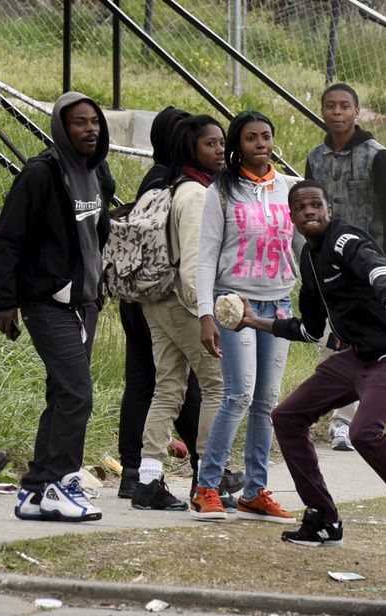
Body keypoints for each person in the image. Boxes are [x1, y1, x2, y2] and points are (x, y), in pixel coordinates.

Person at [237, 180, 386, 546]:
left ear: (329, 210)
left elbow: (379, 271)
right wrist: (255, 322)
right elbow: (310, 329)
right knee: (287, 417)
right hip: (356, 356)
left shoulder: (345, 240)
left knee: (364, 431)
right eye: (301, 207)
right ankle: (323, 520)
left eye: (316, 205)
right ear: (291, 216)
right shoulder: (308, 259)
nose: (309, 211)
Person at [0, 91, 114, 521]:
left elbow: (97, 234)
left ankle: (36, 490)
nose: (90, 129)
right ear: (62, 127)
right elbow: (7, 238)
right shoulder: (41, 173)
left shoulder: (98, 172)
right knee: (78, 393)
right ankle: (60, 483)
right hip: (46, 302)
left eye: (94, 121)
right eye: (79, 122)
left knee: (62, 393)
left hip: (85, 303)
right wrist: (4, 300)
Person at [192, 111, 298, 523]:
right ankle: (206, 487)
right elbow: (205, 257)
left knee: (267, 402)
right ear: (238, 144)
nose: (260, 144)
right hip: (235, 305)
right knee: (238, 394)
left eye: (266, 136)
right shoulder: (221, 191)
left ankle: (256, 491)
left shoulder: (286, 188)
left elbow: (304, 245)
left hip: (280, 303)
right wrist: (205, 313)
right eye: (251, 138)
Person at [130, 114, 227, 511]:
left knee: (169, 387)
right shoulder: (196, 194)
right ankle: (207, 480)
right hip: (182, 302)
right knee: (218, 384)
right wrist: (205, 312)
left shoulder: (176, 185)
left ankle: (148, 480)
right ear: (192, 149)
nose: (220, 150)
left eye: (222, 142)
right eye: (210, 144)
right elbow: (191, 263)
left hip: (157, 301)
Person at [305, 82, 386, 452]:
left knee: (366, 341)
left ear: (356, 111)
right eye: (330, 106)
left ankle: (347, 421)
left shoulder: (377, 155)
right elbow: (306, 209)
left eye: (344, 106)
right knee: (333, 342)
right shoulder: (315, 157)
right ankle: (335, 417)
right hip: (329, 266)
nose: (337, 112)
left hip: (369, 266)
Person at [116, 106, 204, 499]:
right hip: (166, 297)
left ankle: (136, 472)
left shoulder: (156, 178)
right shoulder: (175, 183)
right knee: (196, 385)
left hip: (139, 295)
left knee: (147, 381)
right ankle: (209, 469)